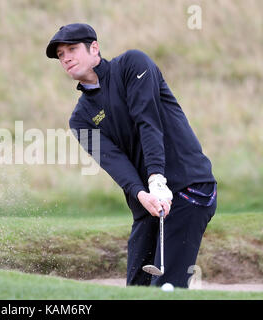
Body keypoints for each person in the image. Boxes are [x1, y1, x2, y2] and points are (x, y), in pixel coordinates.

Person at [46, 23, 217, 288]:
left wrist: (157, 178)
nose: (65, 57)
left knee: (166, 288)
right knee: (135, 290)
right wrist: (142, 193)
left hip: (187, 187)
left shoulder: (132, 65)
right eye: (60, 55)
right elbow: (114, 162)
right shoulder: (80, 119)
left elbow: (147, 121)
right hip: (147, 205)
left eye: (72, 49)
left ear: (94, 48)